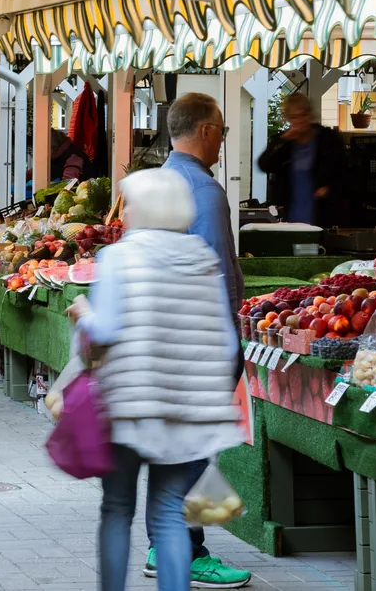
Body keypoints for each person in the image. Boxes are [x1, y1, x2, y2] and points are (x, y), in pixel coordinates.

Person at [66, 167, 244, 591]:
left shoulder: (119, 257)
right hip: (185, 413)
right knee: (169, 515)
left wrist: (83, 314)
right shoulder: (204, 258)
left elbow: (106, 332)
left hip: (129, 407)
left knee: (117, 510)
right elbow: (224, 339)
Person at [144, 92, 250, 589]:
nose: (223, 142)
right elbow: (218, 273)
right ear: (206, 131)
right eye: (223, 132)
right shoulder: (203, 191)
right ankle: (183, 553)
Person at [257, 94, 347, 226]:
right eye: (294, 117)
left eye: (303, 115)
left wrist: (329, 189)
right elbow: (264, 165)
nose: (300, 120)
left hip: (323, 213)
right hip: (290, 213)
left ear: (310, 115)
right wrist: (282, 140)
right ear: (287, 118)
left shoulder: (328, 139)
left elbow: (345, 172)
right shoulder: (284, 142)